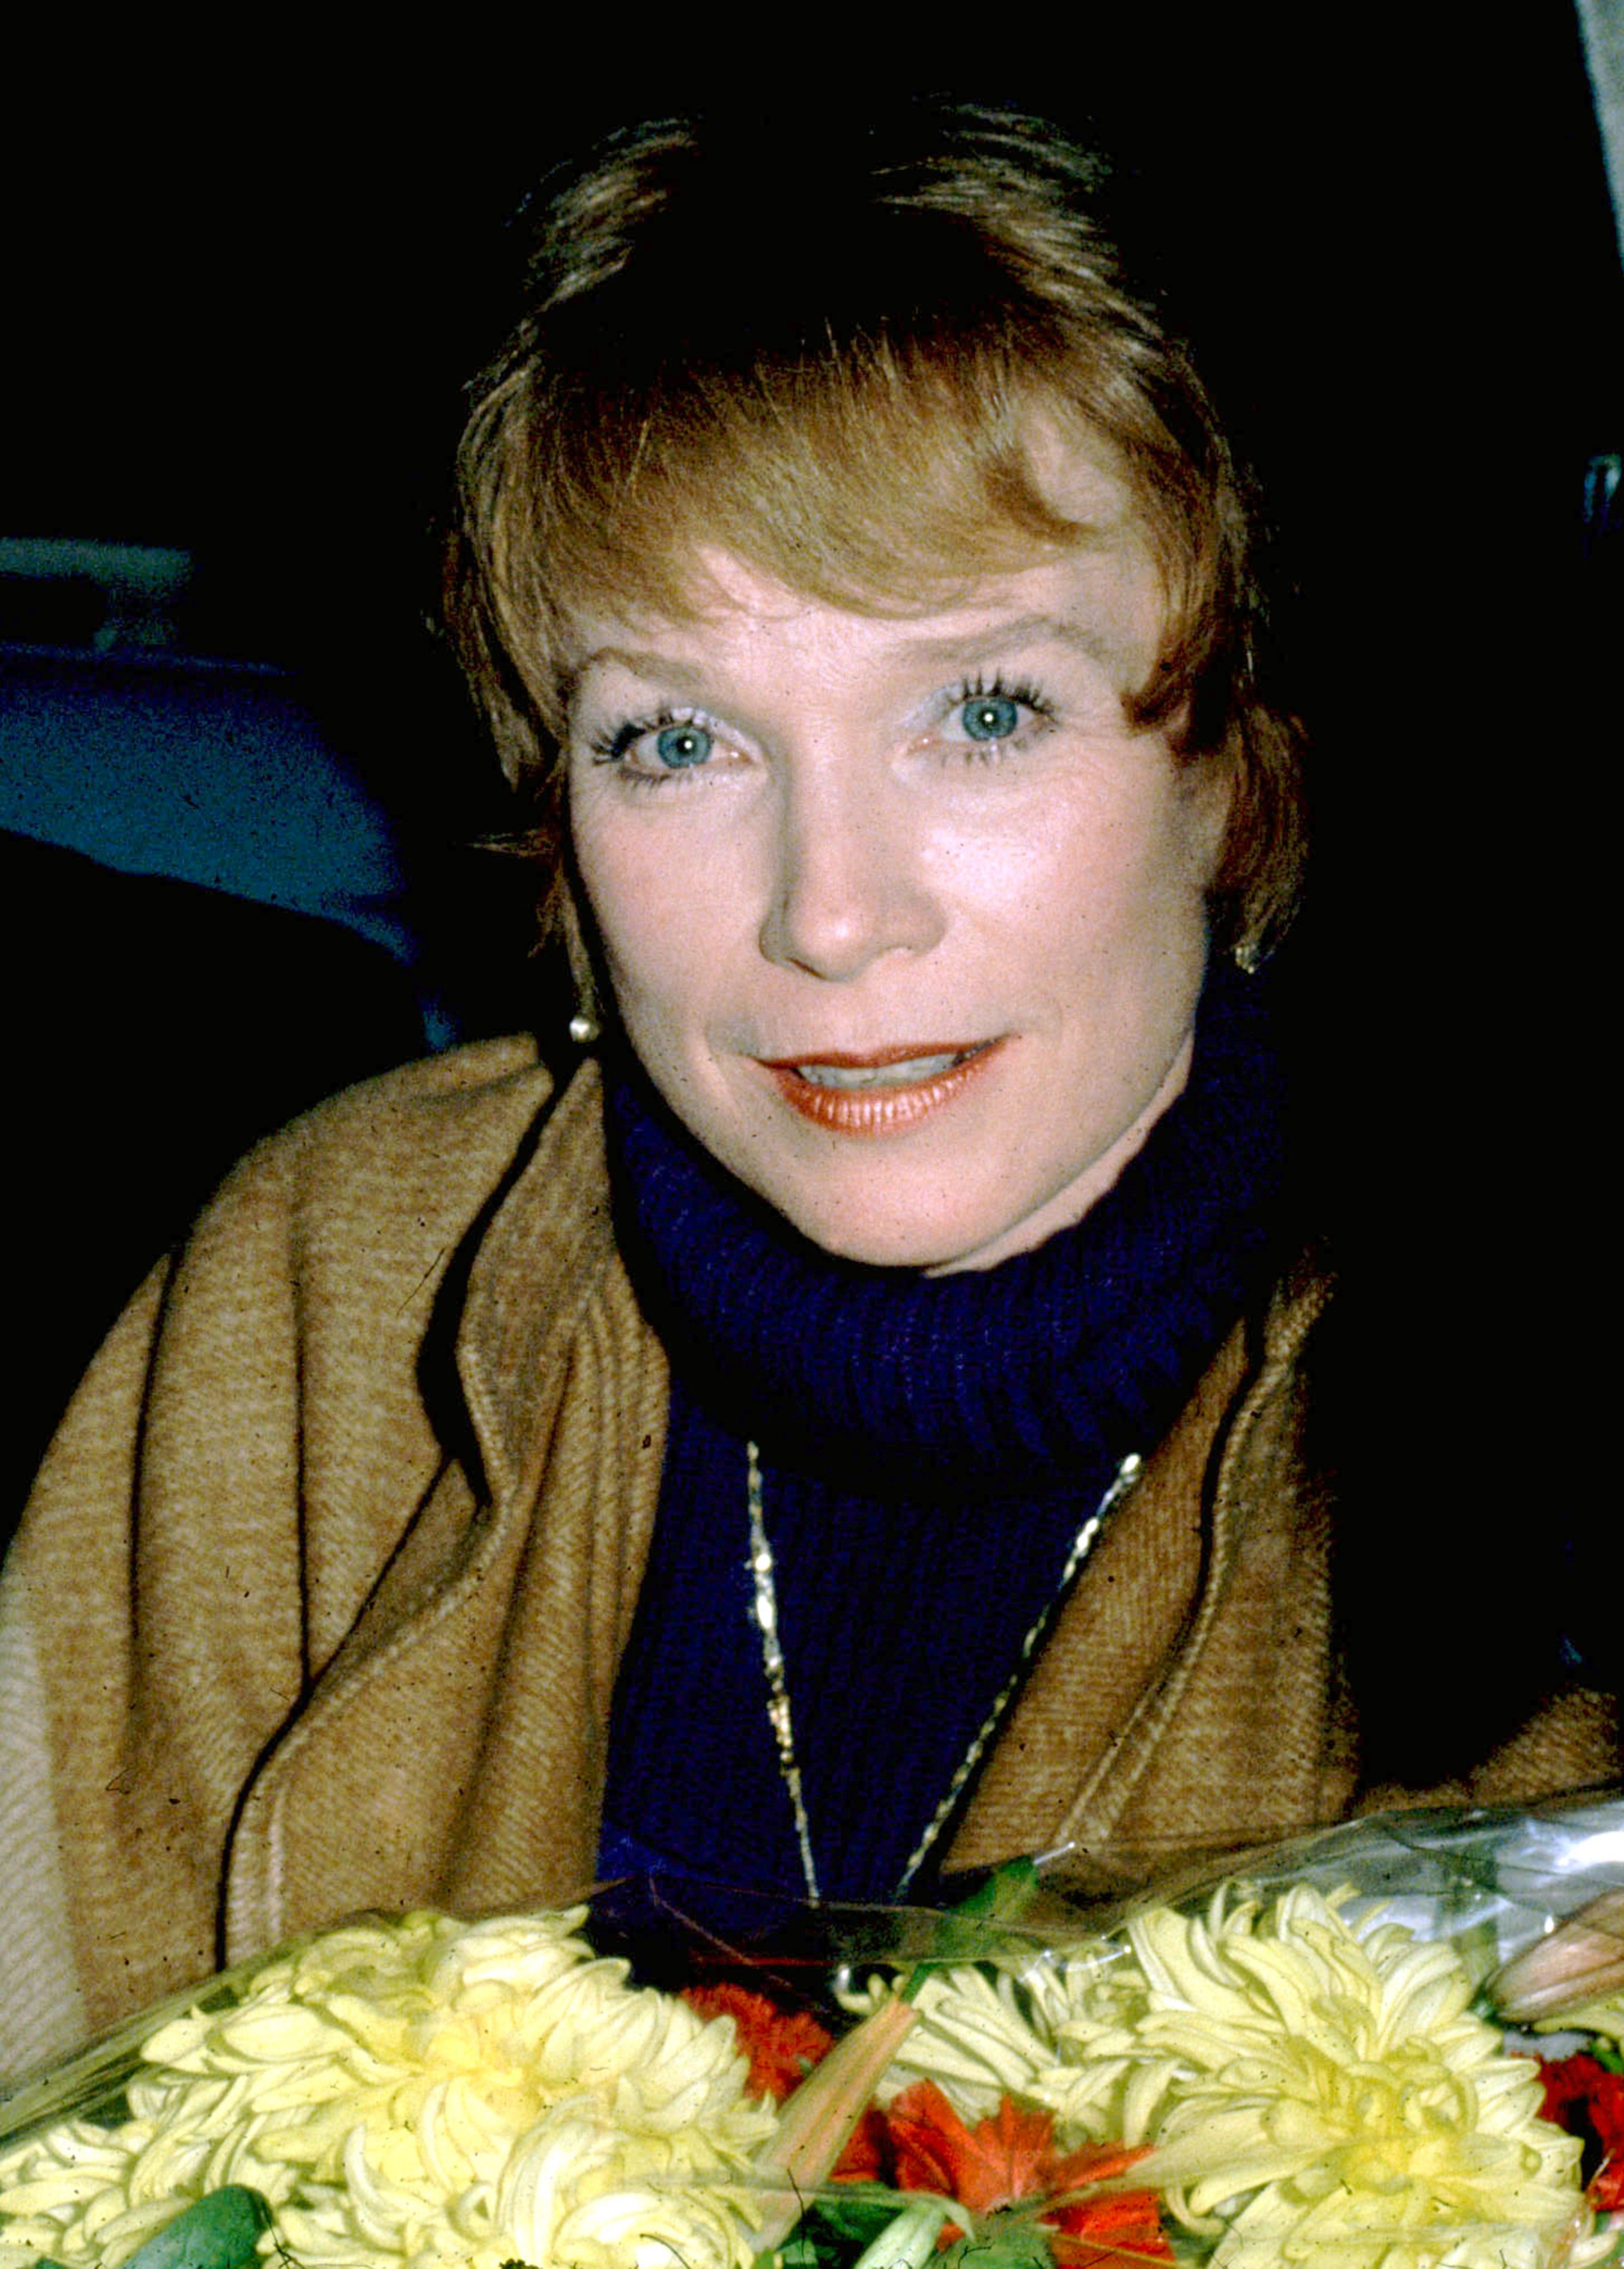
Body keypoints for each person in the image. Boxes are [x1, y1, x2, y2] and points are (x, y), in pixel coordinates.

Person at [0, 104, 1612, 2079]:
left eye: (984, 712)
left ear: (1226, 765)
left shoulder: (1543, 1409)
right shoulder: (324, 1299)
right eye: (676, 740)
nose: (830, 916)